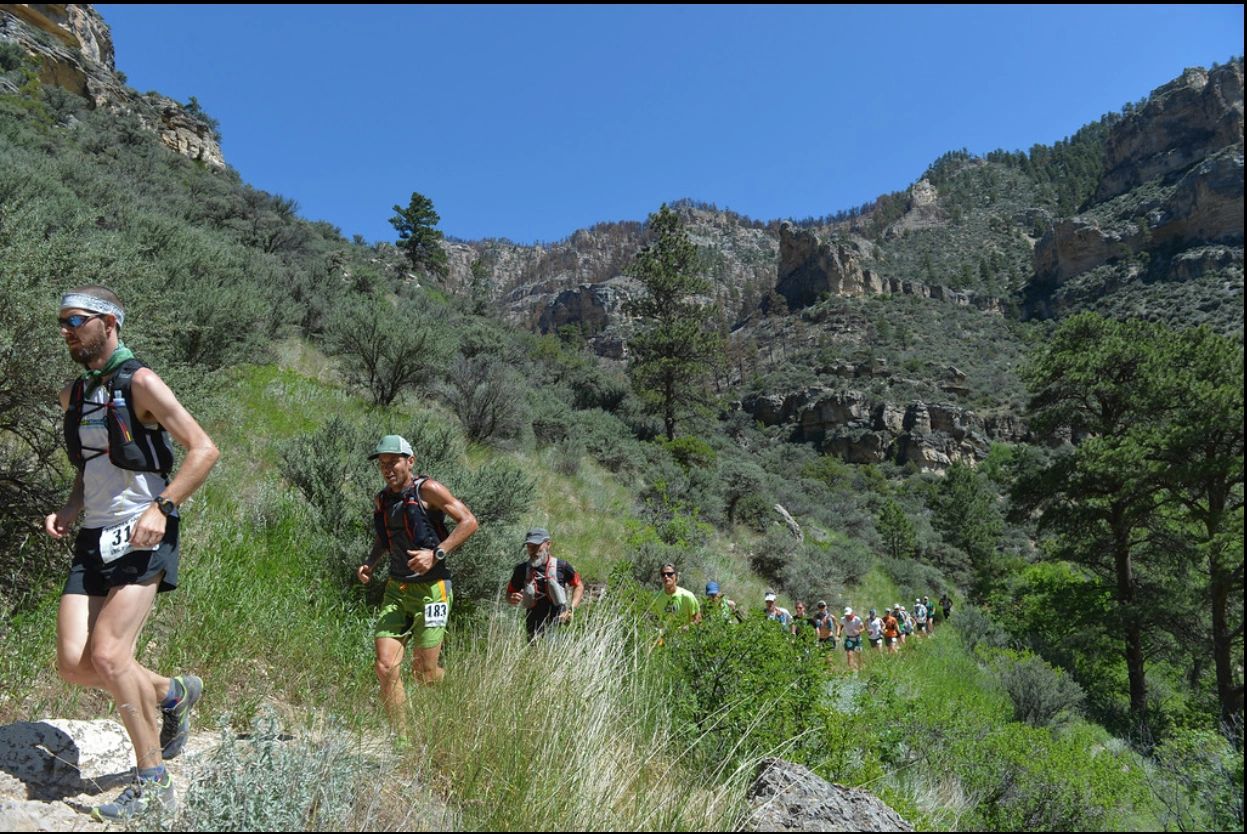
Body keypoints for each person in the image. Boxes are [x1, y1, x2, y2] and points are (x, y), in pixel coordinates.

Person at [46, 287, 219, 822]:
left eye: (77, 320)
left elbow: (204, 448)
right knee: (75, 664)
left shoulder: (140, 381)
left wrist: (162, 507)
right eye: (63, 322)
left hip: (143, 531)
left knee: (110, 656)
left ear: (109, 323)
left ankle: (151, 781)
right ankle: (171, 695)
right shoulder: (75, 393)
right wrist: (71, 509)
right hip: (94, 535)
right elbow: (91, 466)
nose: (68, 330)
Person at [357, 435, 478, 739]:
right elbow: (384, 539)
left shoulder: (429, 490)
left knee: (424, 674)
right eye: (382, 463)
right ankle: (402, 739)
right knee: (385, 667)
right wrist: (370, 563)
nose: (387, 468)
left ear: (410, 461)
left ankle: (454, 699)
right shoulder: (382, 499)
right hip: (396, 589)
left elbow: (469, 522)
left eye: (393, 461)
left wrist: (436, 554)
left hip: (433, 590)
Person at [506, 528, 583, 640]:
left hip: (559, 621)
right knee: (535, 654)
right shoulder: (521, 570)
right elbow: (509, 594)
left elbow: (578, 585)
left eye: (537, 546)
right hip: (533, 624)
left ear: (548, 545)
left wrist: (571, 609)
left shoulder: (562, 566)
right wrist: (511, 598)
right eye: (530, 546)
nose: (533, 550)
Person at [653, 564, 701, 631]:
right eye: (663, 574)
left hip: (684, 638)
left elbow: (698, 620)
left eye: (669, 574)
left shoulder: (688, 596)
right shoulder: (656, 598)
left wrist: (684, 629)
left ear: (676, 576)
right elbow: (653, 620)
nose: (666, 576)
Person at [840, 607, 864, 671]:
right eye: (846, 615)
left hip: (857, 639)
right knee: (849, 654)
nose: (847, 616)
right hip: (849, 638)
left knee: (858, 654)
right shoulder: (843, 619)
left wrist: (858, 631)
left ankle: (860, 667)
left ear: (852, 613)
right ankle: (850, 669)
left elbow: (863, 628)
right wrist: (839, 632)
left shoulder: (857, 619)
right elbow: (841, 626)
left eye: (849, 615)